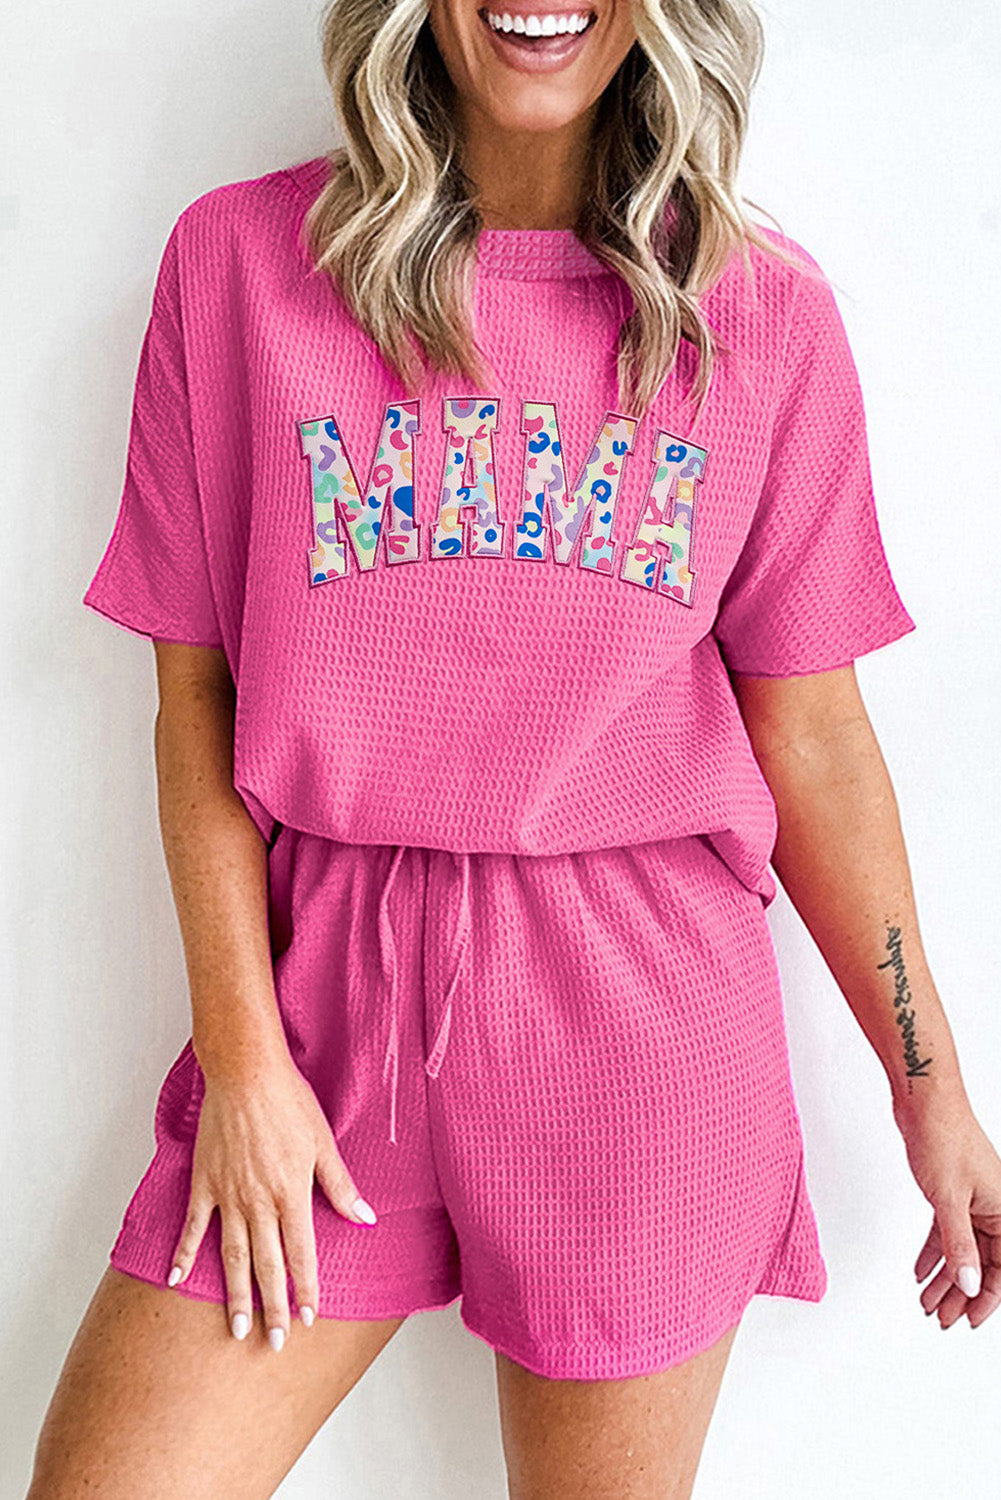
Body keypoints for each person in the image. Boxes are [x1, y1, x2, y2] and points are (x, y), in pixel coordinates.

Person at [30, 0, 1001, 1494]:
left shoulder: (762, 318)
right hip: (319, 1018)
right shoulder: (239, 267)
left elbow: (812, 738)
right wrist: (242, 1056)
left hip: (636, 1040)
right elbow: (197, 697)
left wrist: (929, 1088)